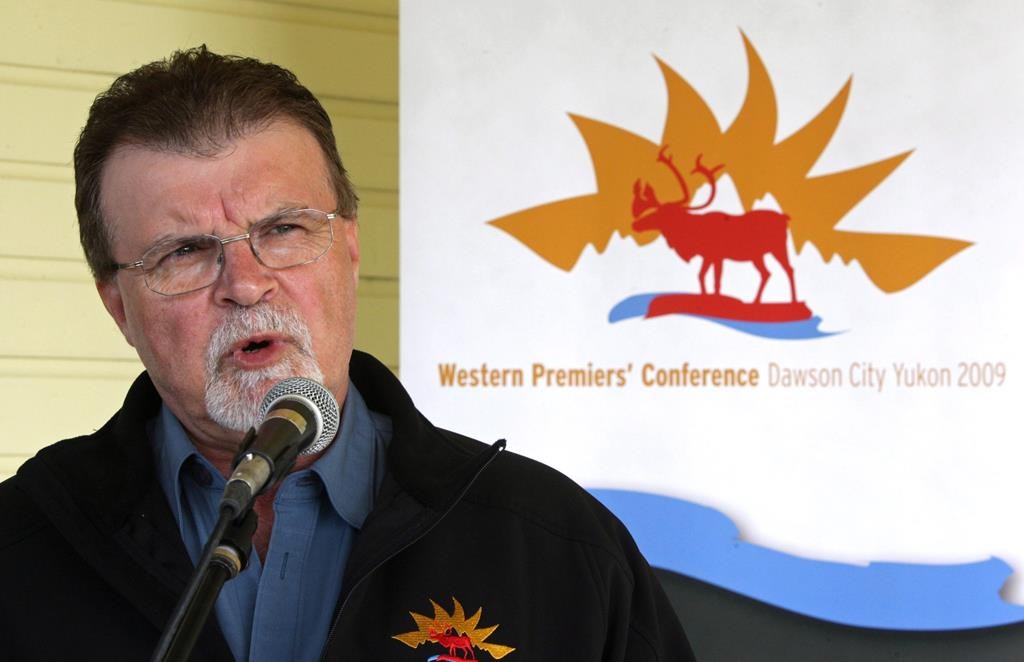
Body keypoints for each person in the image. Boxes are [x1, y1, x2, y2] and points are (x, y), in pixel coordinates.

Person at [0, 46, 695, 661]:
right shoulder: (24, 548)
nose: (245, 284)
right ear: (118, 306)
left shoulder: (553, 545)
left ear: (351, 249)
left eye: (284, 228)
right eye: (184, 252)